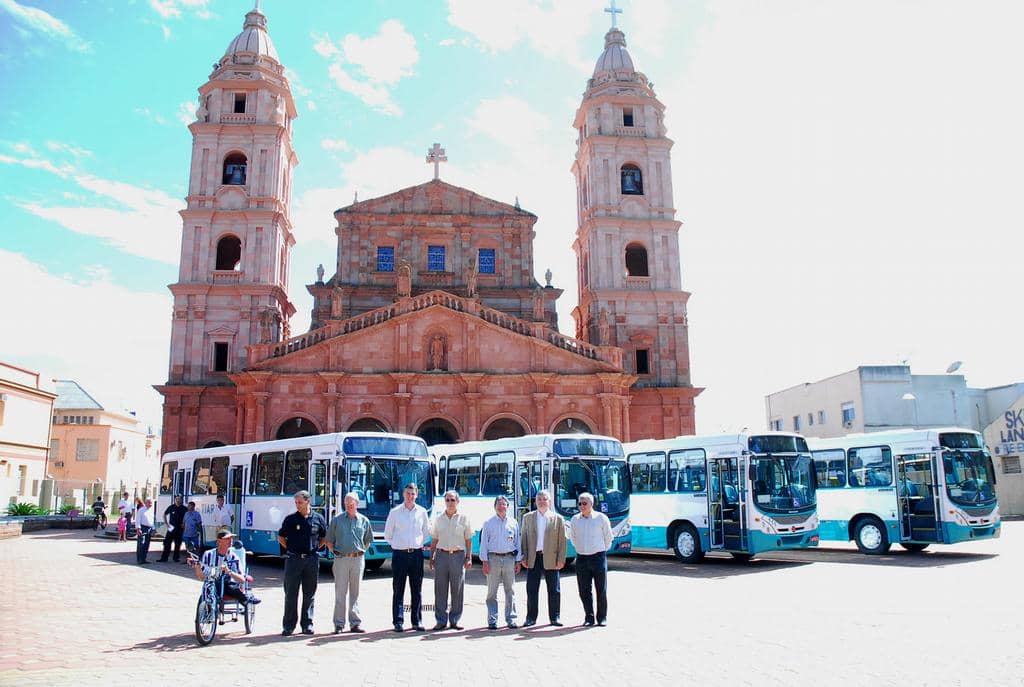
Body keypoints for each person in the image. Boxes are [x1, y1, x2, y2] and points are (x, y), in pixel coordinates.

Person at [277, 490, 326, 636]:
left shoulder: (318, 518)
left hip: (311, 560)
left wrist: (315, 548)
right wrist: (291, 549)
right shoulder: (290, 519)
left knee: (309, 593)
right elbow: (281, 537)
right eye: (296, 503)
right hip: (294, 560)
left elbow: (324, 537)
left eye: (300, 502)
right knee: (291, 593)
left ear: (308, 501)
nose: (297, 505)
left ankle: (307, 625)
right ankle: (288, 626)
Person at [383, 483, 430, 632]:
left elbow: (426, 532)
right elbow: (388, 534)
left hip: (416, 554)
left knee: (417, 589)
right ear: (403, 494)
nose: (410, 496)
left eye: (413, 494)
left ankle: (417, 621)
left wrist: (417, 544)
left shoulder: (422, 512)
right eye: (407, 493)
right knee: (398, 589)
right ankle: (398, 621)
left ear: (416, 495)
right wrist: (398, 545)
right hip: (400, 555)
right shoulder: (395, 512)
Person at [325, 492, 373, 634]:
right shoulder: (337, 520)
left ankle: (355, 623)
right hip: (341, 560)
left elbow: (368, 540)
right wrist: (336, 553)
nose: (348, 506)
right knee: (340, 592)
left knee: (355, 592)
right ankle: (339, 624)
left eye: (351, 504)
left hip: (358, 560)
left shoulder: (364, 520)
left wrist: (360, 551)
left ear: (357, 504)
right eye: (346, 504)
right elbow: (329, 540)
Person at [520, 489, 567, 627]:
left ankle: (555, 617)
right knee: (532, 589)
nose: (542, 501)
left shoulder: (558, 519)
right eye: (539, 499)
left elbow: (562, 541)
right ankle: (531, 618)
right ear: (535, 501)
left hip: (551, 558)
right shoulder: (527, 517)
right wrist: (524, 556)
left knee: (554, 589)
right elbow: (524, 538)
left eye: (544, 499)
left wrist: (561, 559)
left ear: (549, 501)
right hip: (533, 558)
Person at [429, 490, 473, 631]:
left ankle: (455, 620)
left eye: (452, 500)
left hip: (458, 556)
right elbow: (434, 539)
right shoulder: (439, 519)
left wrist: (469, 557)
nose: (450, 502)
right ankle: (441, 620)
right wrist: (431, 557)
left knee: (457, 589)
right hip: (441, 556)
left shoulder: (464, 518)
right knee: (440, 589)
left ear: (457, 501)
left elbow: (468, 540)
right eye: (447, 500)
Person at [569, 492, 612, 627]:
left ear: (591, 504)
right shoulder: (575, 519)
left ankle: (602, 617)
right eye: (580, 503)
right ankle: (589, 617)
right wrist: (581, 550)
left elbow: (608, 538)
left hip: (598, 557)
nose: (581, 506)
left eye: (584, 503)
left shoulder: (601, 518)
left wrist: (601, 550)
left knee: (601, 589)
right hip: (582, 558)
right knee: (584, 590)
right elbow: (573, 538)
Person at [479, 495, 521, 630]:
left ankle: (511, 619)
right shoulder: (488, 523)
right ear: (495, 507)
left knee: (510, 590)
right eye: (499, 504)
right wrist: (484, 561)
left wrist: (518, 561)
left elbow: (517, 543)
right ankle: (492, 620)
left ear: (508, 507)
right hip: (493, 559)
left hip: (509, 559)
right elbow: (484, 544)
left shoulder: (513, 523)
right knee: (492, 592)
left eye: (504, 504)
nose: (501, 506)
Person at [194, 528, 260, 606]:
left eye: (231, 538)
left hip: (228, 585)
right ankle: (245, 599)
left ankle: (246, 598)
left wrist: (229, 572)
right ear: (219, 541)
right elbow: (202, 577)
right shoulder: (208, 555)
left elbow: (242, 579)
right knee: (212, 585)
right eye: (227, 539)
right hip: (211, 584)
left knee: (229, 585)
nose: (230, 541)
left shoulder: (234, 557)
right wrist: (197, 566)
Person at [158, 495, 188, 562]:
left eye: (179, 499)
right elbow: (164, 514)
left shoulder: (184, 508)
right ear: (175, 500)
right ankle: (164, 558)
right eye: (176, 499)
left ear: (181, 500)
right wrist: (167, 524)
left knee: (178, 544)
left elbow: (187, 517)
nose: (178, 500)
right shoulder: (171, 507)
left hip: (179, 528)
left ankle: (176, 558)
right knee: (167, 543)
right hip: (171, 528)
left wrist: (184, 524)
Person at [135, 497, 155, 564]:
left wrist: (153, 529)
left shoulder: (151, 510)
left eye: (151, 503)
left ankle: (144, 559)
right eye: (150, 503)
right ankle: (140, 559)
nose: (151, 504)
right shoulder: (141, 510)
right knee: (141, 544)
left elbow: (152, 520)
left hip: (149, 529)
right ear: (146, 502)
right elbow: (137, 520)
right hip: (142, 528)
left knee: (147, 545)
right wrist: (138, 529)